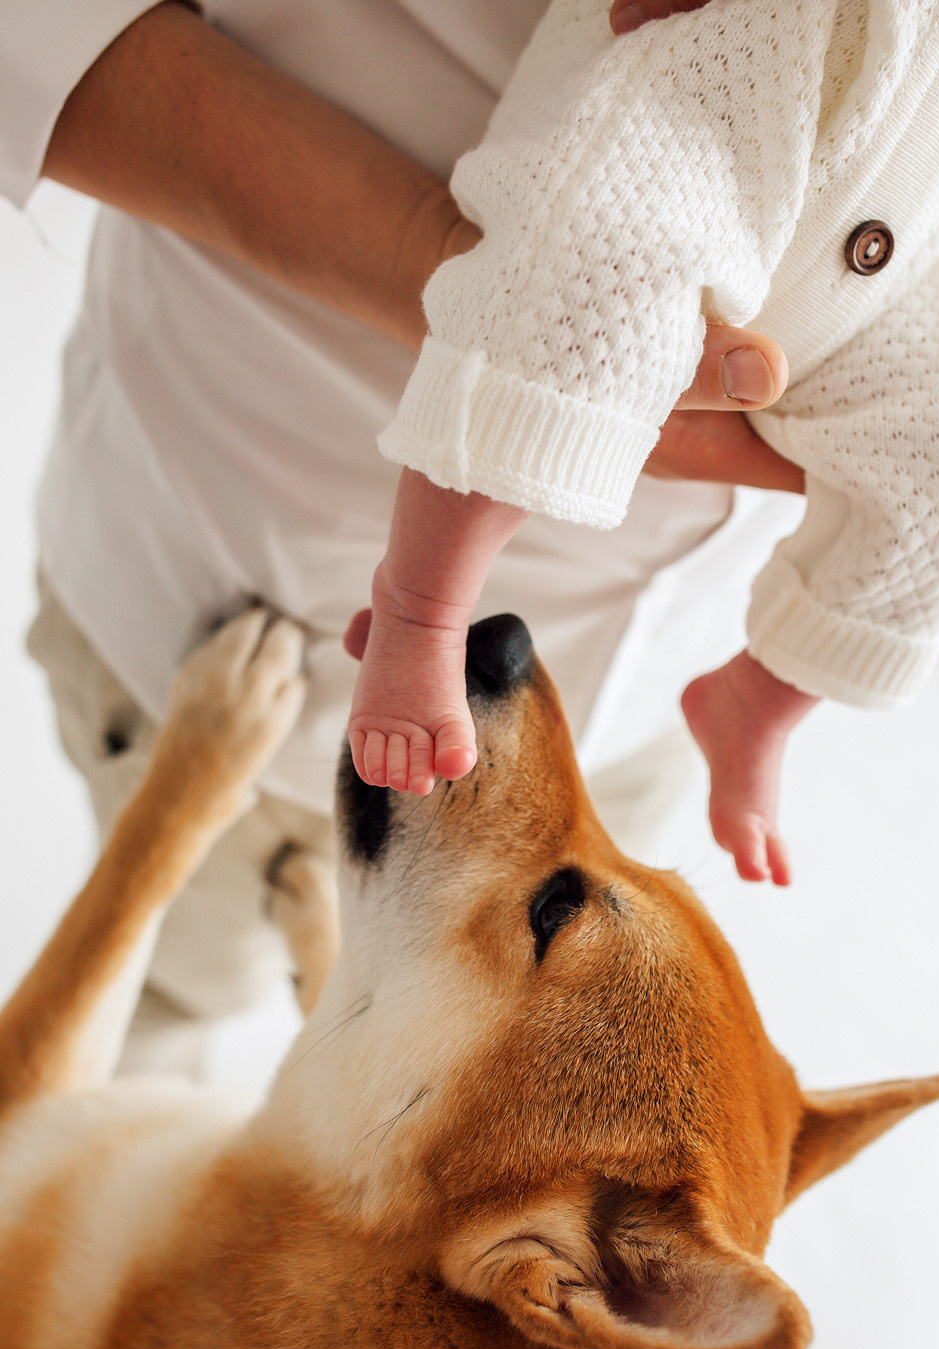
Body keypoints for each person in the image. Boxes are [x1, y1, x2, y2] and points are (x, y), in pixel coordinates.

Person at [1, 0, 798, 1073]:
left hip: (655, 710)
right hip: (264, 632)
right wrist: (507, 328)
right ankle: (420, 612)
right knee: (175, 994)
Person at [347, 0, 939, 886]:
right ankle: (422, 606)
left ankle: (760, 701)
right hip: (743, 61)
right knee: (583, 284)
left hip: (926, 174)